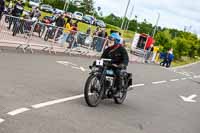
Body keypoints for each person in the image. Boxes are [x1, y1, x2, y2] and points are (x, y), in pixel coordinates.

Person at [100, 32, 129, 97]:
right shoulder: (107, 49)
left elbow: (126, 59)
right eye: (109, 39)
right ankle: (103, 88)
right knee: (100, 70)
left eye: (111, 39)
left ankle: (118, 90)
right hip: (109, 66)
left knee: (118, 72)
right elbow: (102, 58)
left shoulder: (122, 49)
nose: (109, 41)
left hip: (118, 67)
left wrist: (122, 65)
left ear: (116, 41)